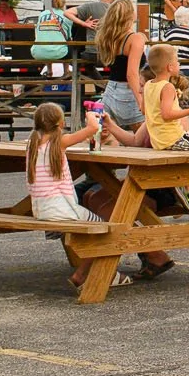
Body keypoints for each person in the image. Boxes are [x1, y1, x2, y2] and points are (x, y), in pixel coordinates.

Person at [23, 102, 129, 292]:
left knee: (96, 227)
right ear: (60, 124)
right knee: (106, 230)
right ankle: (91, 274)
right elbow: (93, 129)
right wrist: (91, 115)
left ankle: (93, 273)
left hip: (42, 209)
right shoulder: (59, 142)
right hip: (63, 210)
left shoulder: (32, 144)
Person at [92, 0, 148, 142]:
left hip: (111, 88)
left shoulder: (108, 37)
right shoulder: (135, 39)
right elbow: (132, 73)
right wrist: (141, 100)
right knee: (142, 140)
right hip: (130, 91)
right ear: (129, 15)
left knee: (105, 136)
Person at [139, 44, 189, 151]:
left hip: (158, 140)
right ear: (170, 67)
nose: (179, 64)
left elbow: (144, 110)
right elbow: (167, 115)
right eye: (177, 61)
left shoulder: (148, 85)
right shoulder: (168, 87)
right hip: (173, 138)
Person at [160, 6, 189, 72]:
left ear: (176, 19)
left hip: (172, 69)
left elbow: (164, 51)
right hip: (188, 69)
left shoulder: (168, 34)